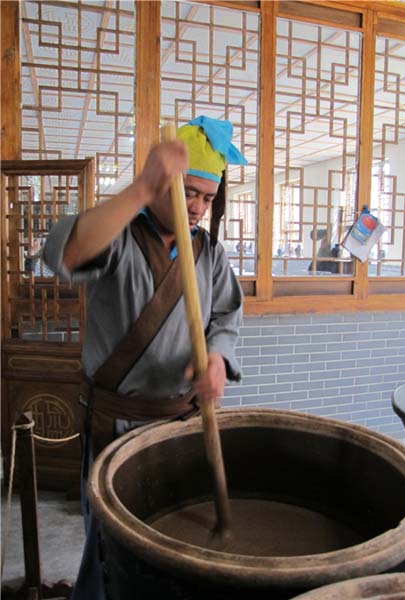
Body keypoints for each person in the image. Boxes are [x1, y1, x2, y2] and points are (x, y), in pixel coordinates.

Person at [43, 115, 247, 600]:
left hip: (179, 424)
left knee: (172, 536)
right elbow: (66, 254)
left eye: (206, 197)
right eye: (188, 192)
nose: (196, 207)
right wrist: (140, 189)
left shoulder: (209, 255)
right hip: (114, 429)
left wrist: (217, 358)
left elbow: (225, 317)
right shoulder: (119, 239)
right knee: (109, 544)